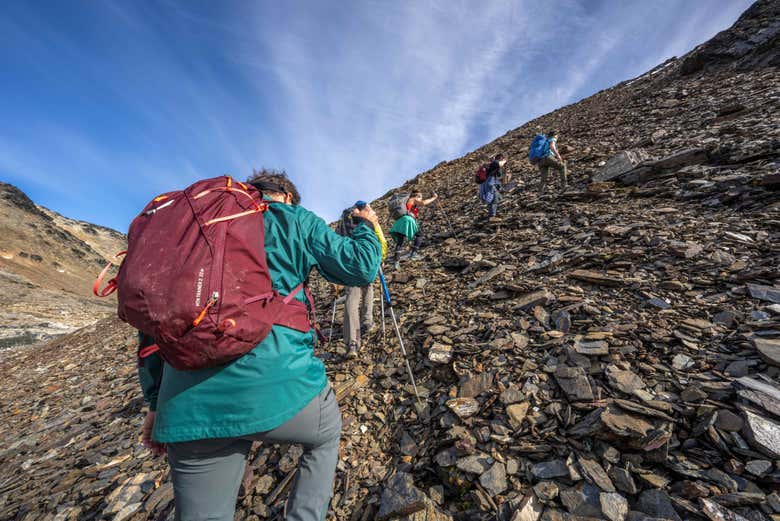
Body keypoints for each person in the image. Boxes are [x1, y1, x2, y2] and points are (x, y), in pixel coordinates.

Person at [138, 171, 382, 521]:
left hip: (187, 401)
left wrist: (154, 401)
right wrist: (365, 225)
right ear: (285, 195)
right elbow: (361, 267)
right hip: (277, 384)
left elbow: (153, 320)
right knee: (326, 434)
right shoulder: (292, 218)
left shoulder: (195, 229)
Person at [336, 200, 388, 358]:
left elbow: (337, 243)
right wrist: (380, 257)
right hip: (365, 260)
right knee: (368, 288)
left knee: (351, 297)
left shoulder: (343, 222)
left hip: (348, 263)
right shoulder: (366, 219)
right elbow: (380, 240)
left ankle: (352, 342)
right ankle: (367, 322)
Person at [389, 190, 438, 269]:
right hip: (408, 220)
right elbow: (423, 203)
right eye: (420, 198)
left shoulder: (405, 201)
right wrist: (434, 197)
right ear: (417, 196)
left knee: (400, 241)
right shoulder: (413, 199)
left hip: (399, 221)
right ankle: (413, 254)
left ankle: (396, 261)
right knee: (420, 235)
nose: (420, 199)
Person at [537, 130, 568, 195]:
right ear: (554, 135)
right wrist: (558, 155)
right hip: (548, 157)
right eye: (557, 135)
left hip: (540, 161)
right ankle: (564, 186)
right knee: (562, 167)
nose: (557, 136)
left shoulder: (544, 141)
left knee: (544, 177)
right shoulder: (552, 139)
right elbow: (552, 147)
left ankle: (540, 192)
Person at [479, 153, 507, 218]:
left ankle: (492, 214)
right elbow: (498, 165)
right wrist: (504, 161)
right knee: (494, 198)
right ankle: (492, 216)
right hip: (490, 183)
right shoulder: (495, 162)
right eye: (502, 158)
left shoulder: (490, 165)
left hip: (486, 183)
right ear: (500, 158)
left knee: (494, 197)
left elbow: (499, 175)